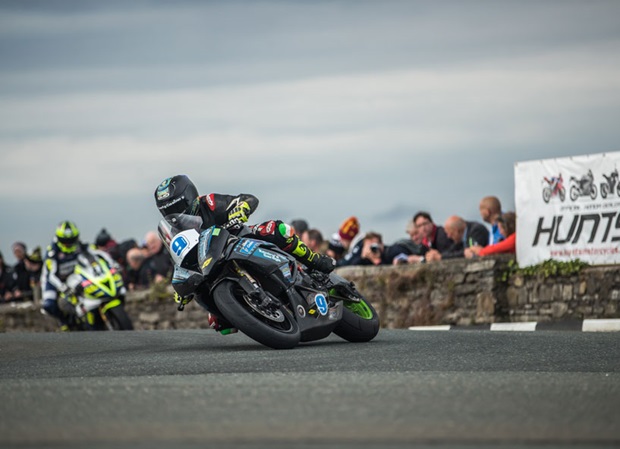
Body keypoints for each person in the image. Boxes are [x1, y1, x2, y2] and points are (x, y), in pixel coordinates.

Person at [154, 175, 336, 333]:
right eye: (168, 211)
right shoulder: (176, 233)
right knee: (219, 324)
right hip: (212, 265)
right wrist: (182, 284)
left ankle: (315, 261)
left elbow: (247, 199)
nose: (174, 214)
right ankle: (260, 317)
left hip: (240, 239)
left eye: (177, 207)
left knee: (277, 230)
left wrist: (241, 208)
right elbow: (178, 261)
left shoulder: (208, 203)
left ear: (189, 197)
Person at [41, 220, 118, 330]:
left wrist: (112, 264)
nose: (68, 243)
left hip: (74, 276)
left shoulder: (79, 245)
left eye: (71, 240)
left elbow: (97, 253)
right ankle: (65, 322)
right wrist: (63, 288)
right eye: (65, 241)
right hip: (54, 280)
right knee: (49, 305)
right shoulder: (52, 253)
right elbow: (51, 276)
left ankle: (87, 318)